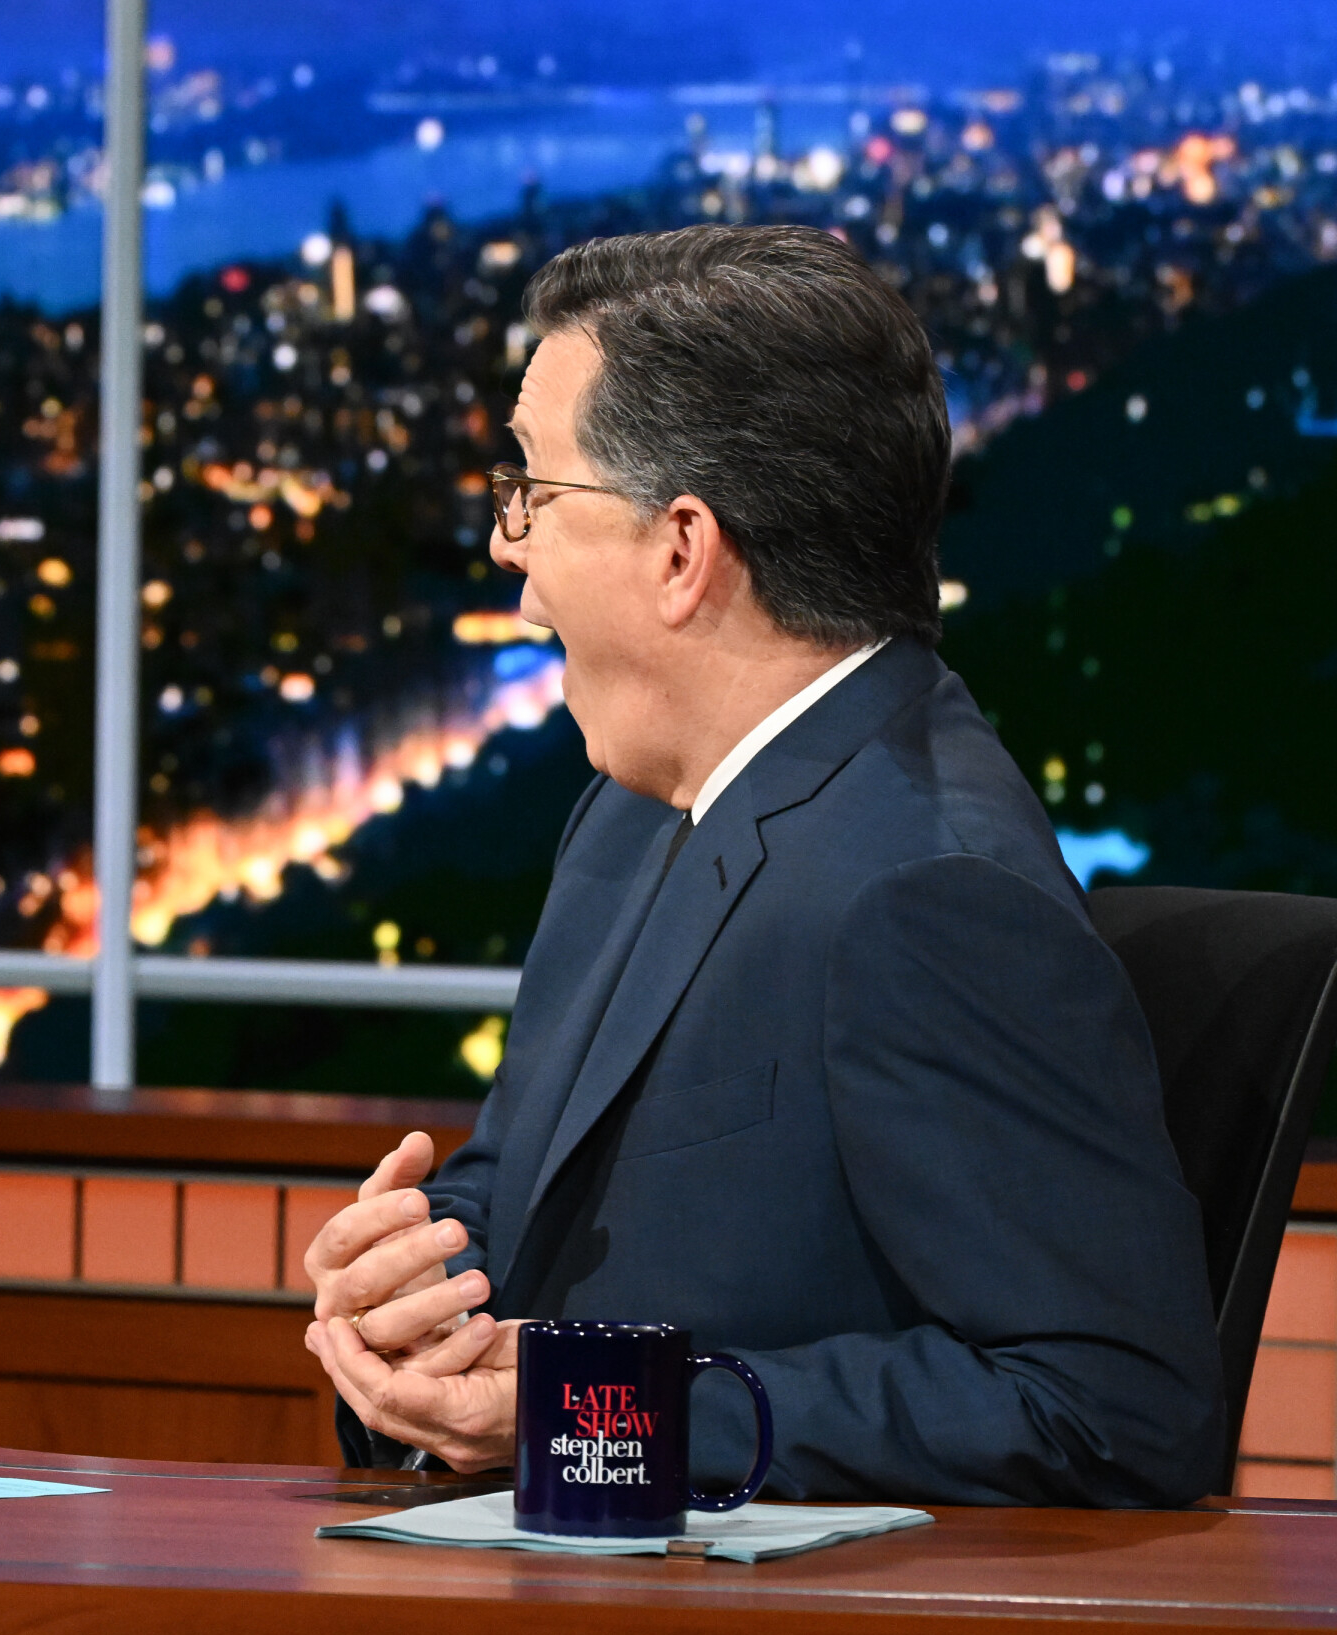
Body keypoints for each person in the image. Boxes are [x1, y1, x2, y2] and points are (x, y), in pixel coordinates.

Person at [298, 225, 1224, 1506]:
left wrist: (597, 1410)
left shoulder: (928, 889)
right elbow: (515, 1218)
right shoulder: (626, 818)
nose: (509, 544)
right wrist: (413, 1307)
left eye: (534, 491)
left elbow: (1114, 1407)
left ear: (683, 550)